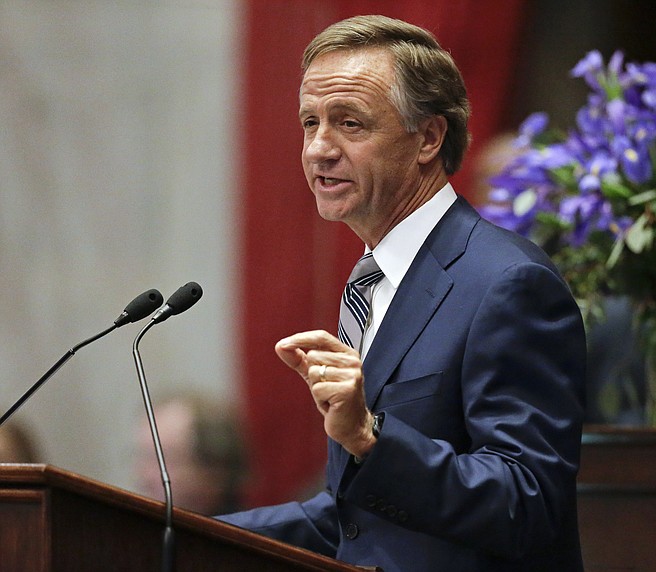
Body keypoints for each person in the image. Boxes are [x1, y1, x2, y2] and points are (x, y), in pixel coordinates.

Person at [218, 15, 586, 571]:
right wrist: (170, 531)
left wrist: (371, 438)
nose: (319, 149)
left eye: (350, 123)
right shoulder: (374, 279)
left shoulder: (508, 283)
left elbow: (527, 503)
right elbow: (359, 520)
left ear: (429, 138)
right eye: (309, 122)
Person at [134, 392, 248, 515]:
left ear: (213, 470)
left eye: (164, 460)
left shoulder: (247, 532)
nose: (144, 479)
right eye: (146, 458)